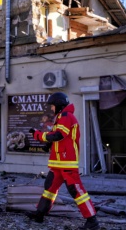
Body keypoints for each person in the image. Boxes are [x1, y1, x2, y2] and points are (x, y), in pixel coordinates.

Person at [27, 92, 100, 230]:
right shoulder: (61, 117)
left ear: (59, 105)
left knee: (76, 191)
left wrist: (37, 135)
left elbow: (58, 135)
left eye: (53, 106)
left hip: (67, 163)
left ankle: (92, 221)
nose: (51, 109)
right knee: (49, 188)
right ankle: (40, 214)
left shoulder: (66, 116)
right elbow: (57, 138)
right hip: (57, 164)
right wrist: (47, 144)